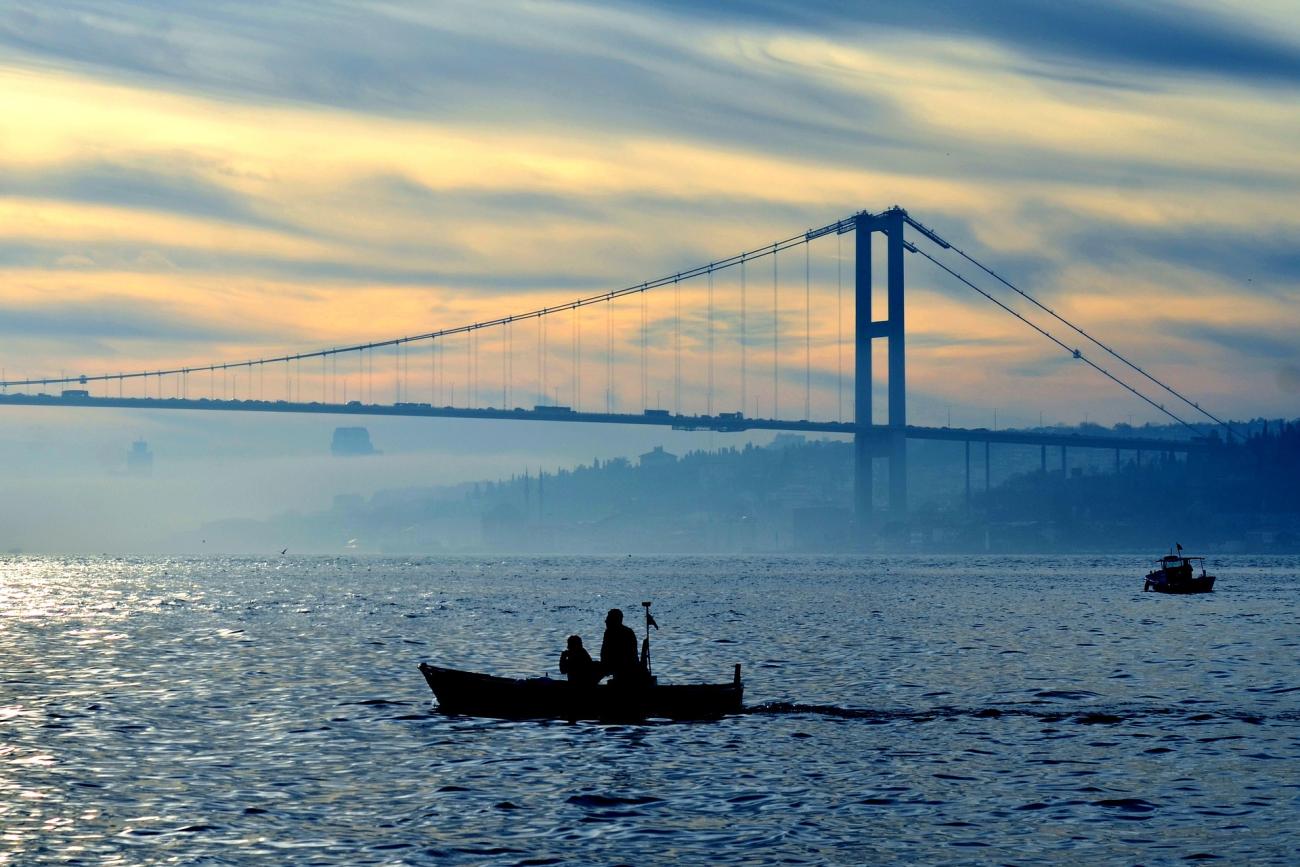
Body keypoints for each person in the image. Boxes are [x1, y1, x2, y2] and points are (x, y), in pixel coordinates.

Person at [599, 608, 642, 684]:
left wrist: (604, 665)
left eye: (608, 619)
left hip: (624, 667)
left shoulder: (625, 633)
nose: (606, 621)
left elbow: (626, 656)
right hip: (616, 665)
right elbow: (604, 652)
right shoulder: (609, 632)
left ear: (614, 621)